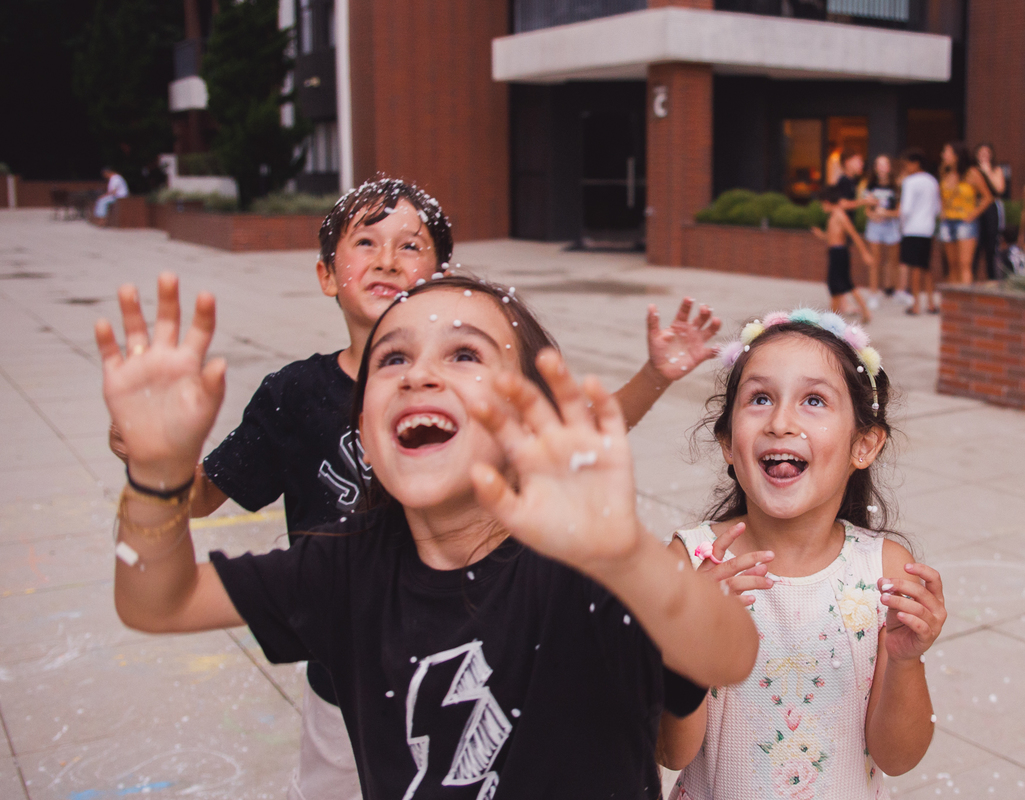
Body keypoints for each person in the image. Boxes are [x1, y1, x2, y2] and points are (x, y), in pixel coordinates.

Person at [106, 178, 725, 800]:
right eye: (393, 361)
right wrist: (157, 476)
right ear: (362, 433)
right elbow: (162, 586)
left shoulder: (576, 574)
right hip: (346, 661)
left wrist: (642, 564)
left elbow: (710, 673)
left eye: (462, 356)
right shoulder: (335, 552)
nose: (387, 259)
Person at [657, 309, 946, 798]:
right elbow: (671, 753)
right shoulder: (693, 563)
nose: (781, 422)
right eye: (760, 398)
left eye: (814, 400)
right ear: (728, 443)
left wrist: (905, 661)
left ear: (864, 445)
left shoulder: (884, 571)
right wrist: (691, 644)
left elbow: (898, 758)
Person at [811, 186, 875, 323]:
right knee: (845, 285)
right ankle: (863, 312)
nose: (822, 207)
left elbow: (854, 235)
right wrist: (820, 234)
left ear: (827, 202)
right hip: (835, 253)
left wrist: (865, 254)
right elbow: (831, 237)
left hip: (840, 254)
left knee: (837, 285)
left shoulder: (840, 215)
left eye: (822, 204)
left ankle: (831, 319)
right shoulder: (833, 216)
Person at [937, 142, 993, 285]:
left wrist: (973, 214)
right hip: (948, 220)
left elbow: (987, 197)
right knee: (952, 264)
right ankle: (953, 301)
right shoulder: (945, 172)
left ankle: (965, 298)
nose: (943, 155)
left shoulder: (971, 173)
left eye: (946, 152)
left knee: (964, 264)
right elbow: (941, 195)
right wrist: (942, 210)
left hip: (965, 221)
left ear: (956, 156)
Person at [896, 148, 941, 315]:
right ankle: (930, 303)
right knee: (925, 267)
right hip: (927, 229)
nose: (906, 167)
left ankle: (916, 305)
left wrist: (901, 224)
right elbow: (937, 208)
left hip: (912, 228)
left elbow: (905, 209)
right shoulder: (932, 181)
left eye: (907, 163)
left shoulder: (910, 181)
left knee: (914, 267)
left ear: (915, 164)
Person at [863, 154, 901, 303]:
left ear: (889, 167)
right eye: (879, 165)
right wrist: (874, 216)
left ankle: (895, 289)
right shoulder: (870, 185)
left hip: (891, 226)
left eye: (884, 164)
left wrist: (886, 213)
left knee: (893, 260)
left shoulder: (895, 186)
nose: (882, 168)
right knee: (875, 261)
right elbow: (867, 210)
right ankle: (873, 293)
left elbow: (898, 211)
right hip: (875, 227)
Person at [971, 143, 1007, 281]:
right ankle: (972, 278)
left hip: (992, 209)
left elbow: (999, 189)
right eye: (981, 153)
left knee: (991, 244)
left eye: (987, 153)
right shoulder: (972, 170)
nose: (984, 156)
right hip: (976, 208)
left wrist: (987, 172)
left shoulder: (996, 170)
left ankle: (992, 278)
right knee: (975, 244)